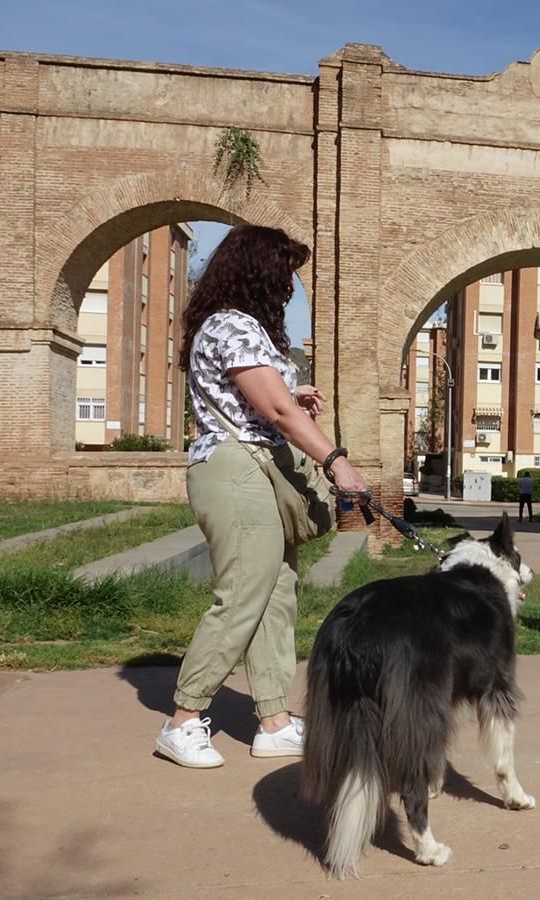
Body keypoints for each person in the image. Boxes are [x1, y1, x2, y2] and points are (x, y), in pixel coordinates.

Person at [153, 225, 369, 769]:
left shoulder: (232, 325)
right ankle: (181, 721)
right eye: (285, 274)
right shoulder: (233, 323)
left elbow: (259, 397)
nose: (290, 287)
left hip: (253, 466)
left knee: (277, 592)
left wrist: (291, 389)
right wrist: (337, 461)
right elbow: (275, 412)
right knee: (244, 593)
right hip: (234, 470)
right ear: (258, 271)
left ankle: (273, 722)